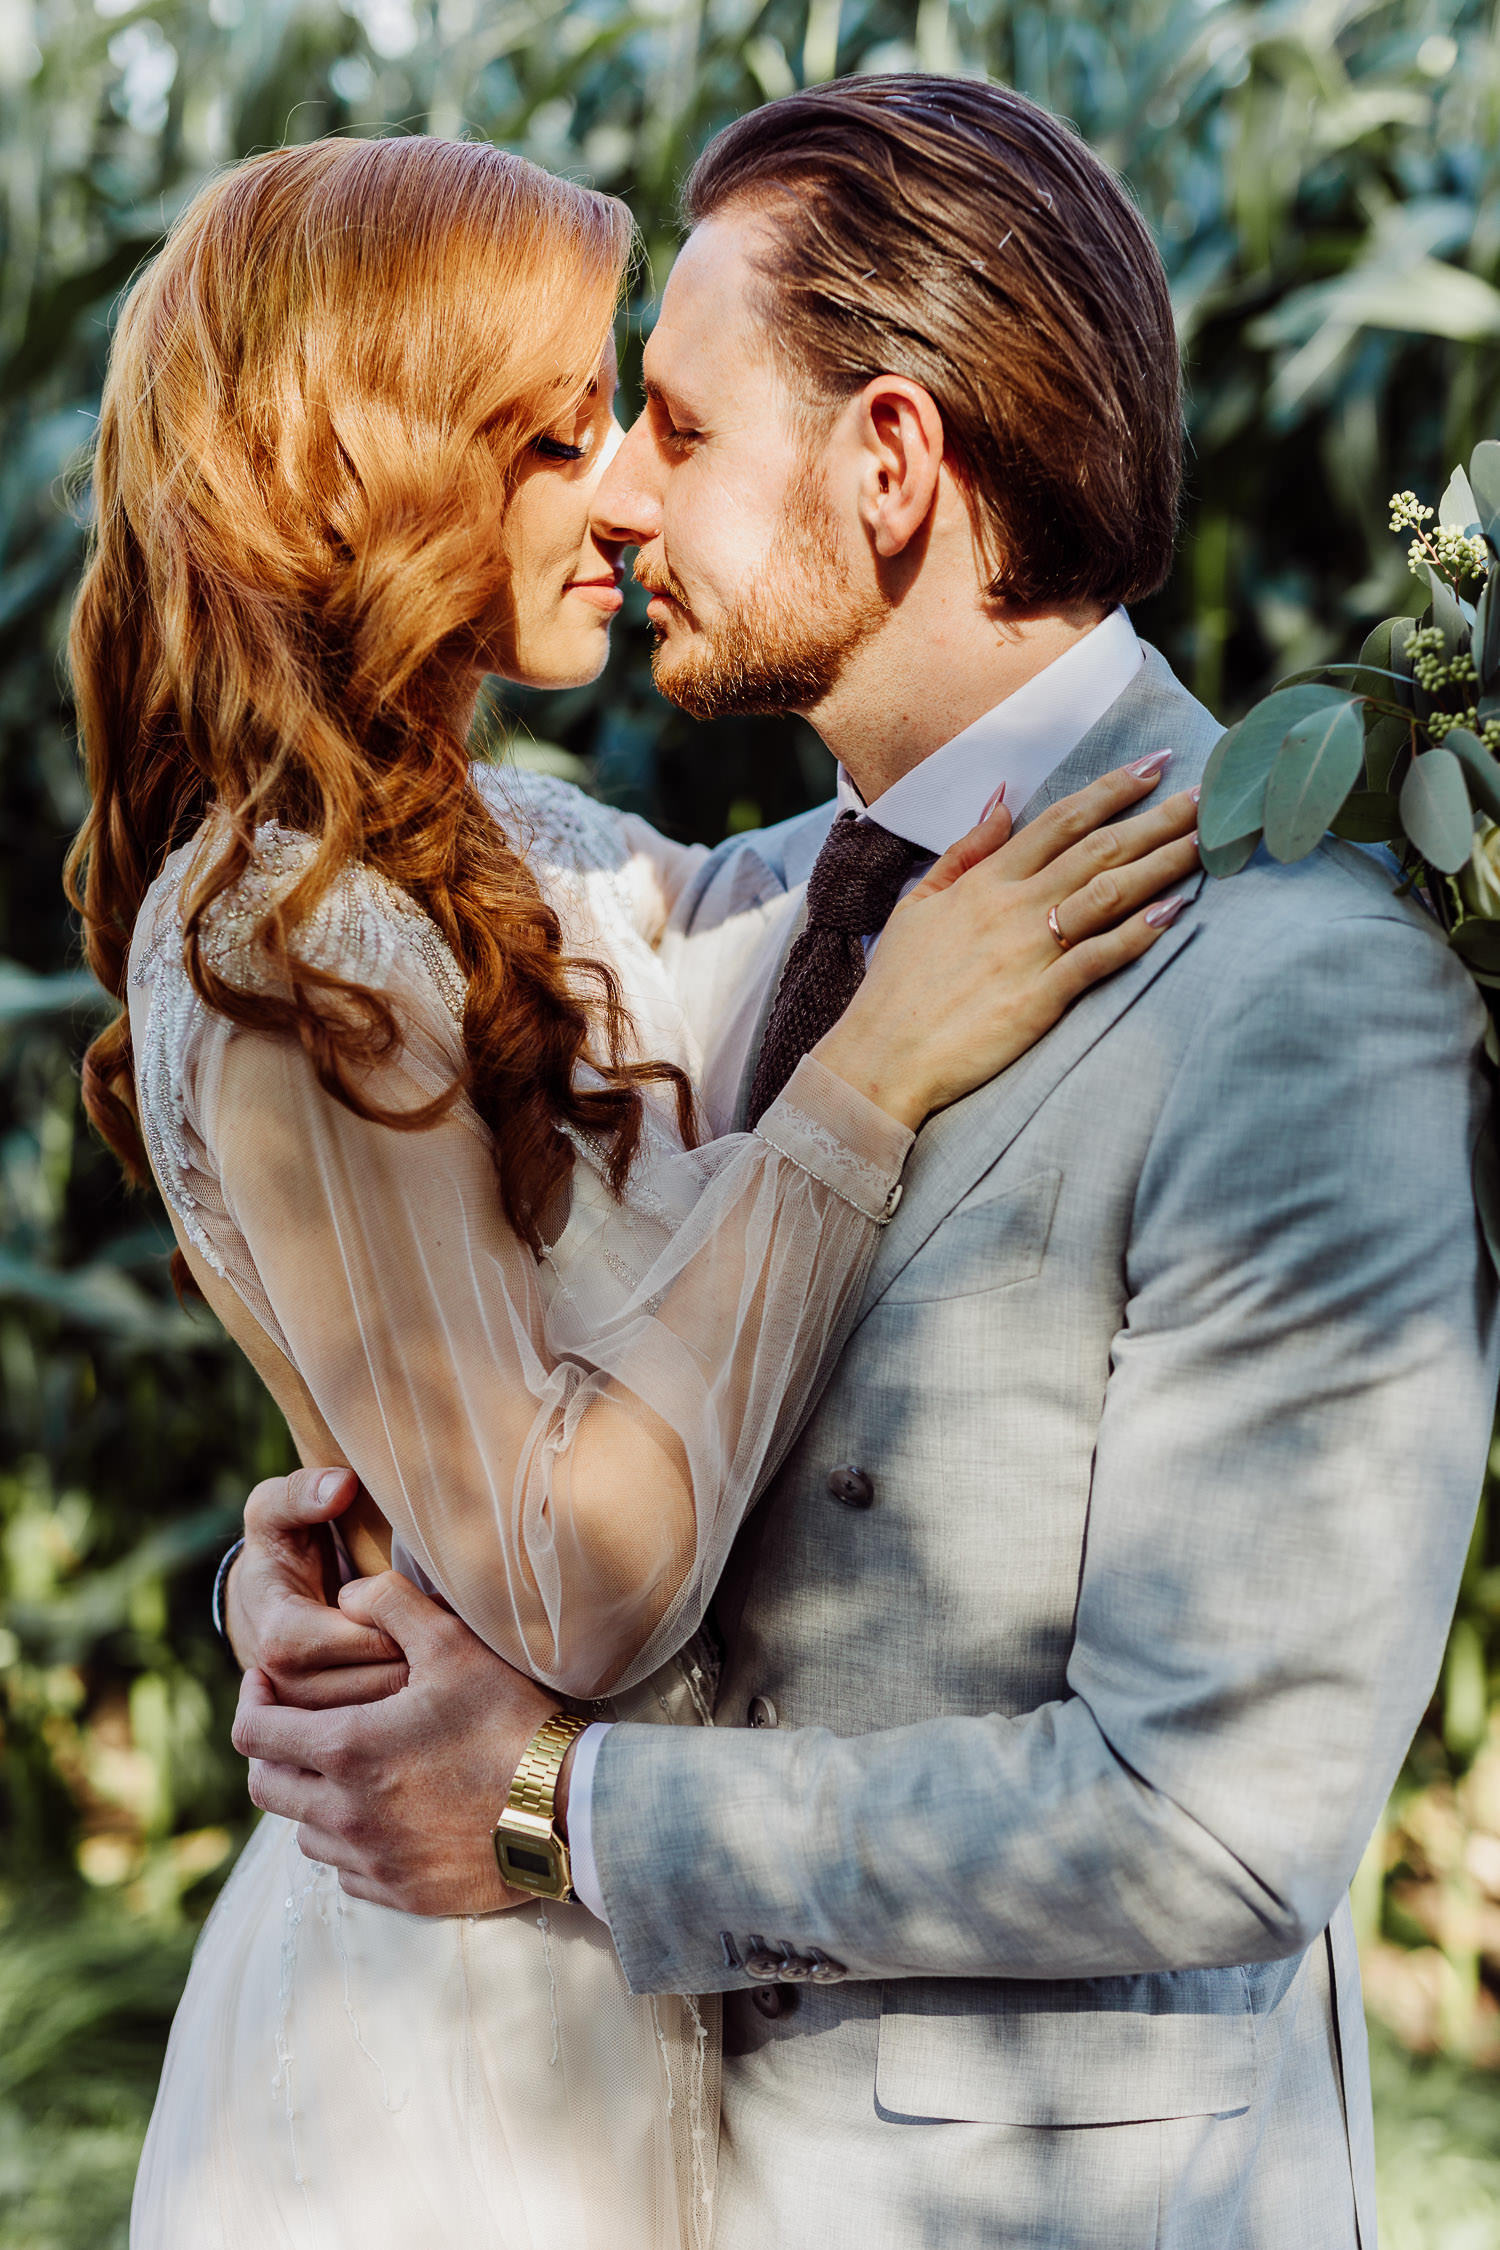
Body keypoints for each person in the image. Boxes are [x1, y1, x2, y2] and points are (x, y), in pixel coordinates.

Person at [231, 78, 1500, 2250]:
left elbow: (1219, 1811)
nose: (613, 491)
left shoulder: (1300, 974)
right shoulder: (719, 916)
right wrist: (355, 1575)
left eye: (678, 425)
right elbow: (576, 1410)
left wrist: (556, 1808)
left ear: (893, 463)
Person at [64, 131, 1198, 2250]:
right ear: (373, 463)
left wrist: (299, 1564)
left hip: (641, 1955)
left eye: (641, 424)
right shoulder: (277, 934)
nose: (625, 497)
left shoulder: (550, 857)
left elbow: (874, 872)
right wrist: (868, 1084)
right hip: (462, 2028)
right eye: (562, 432)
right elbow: (568, 1578)